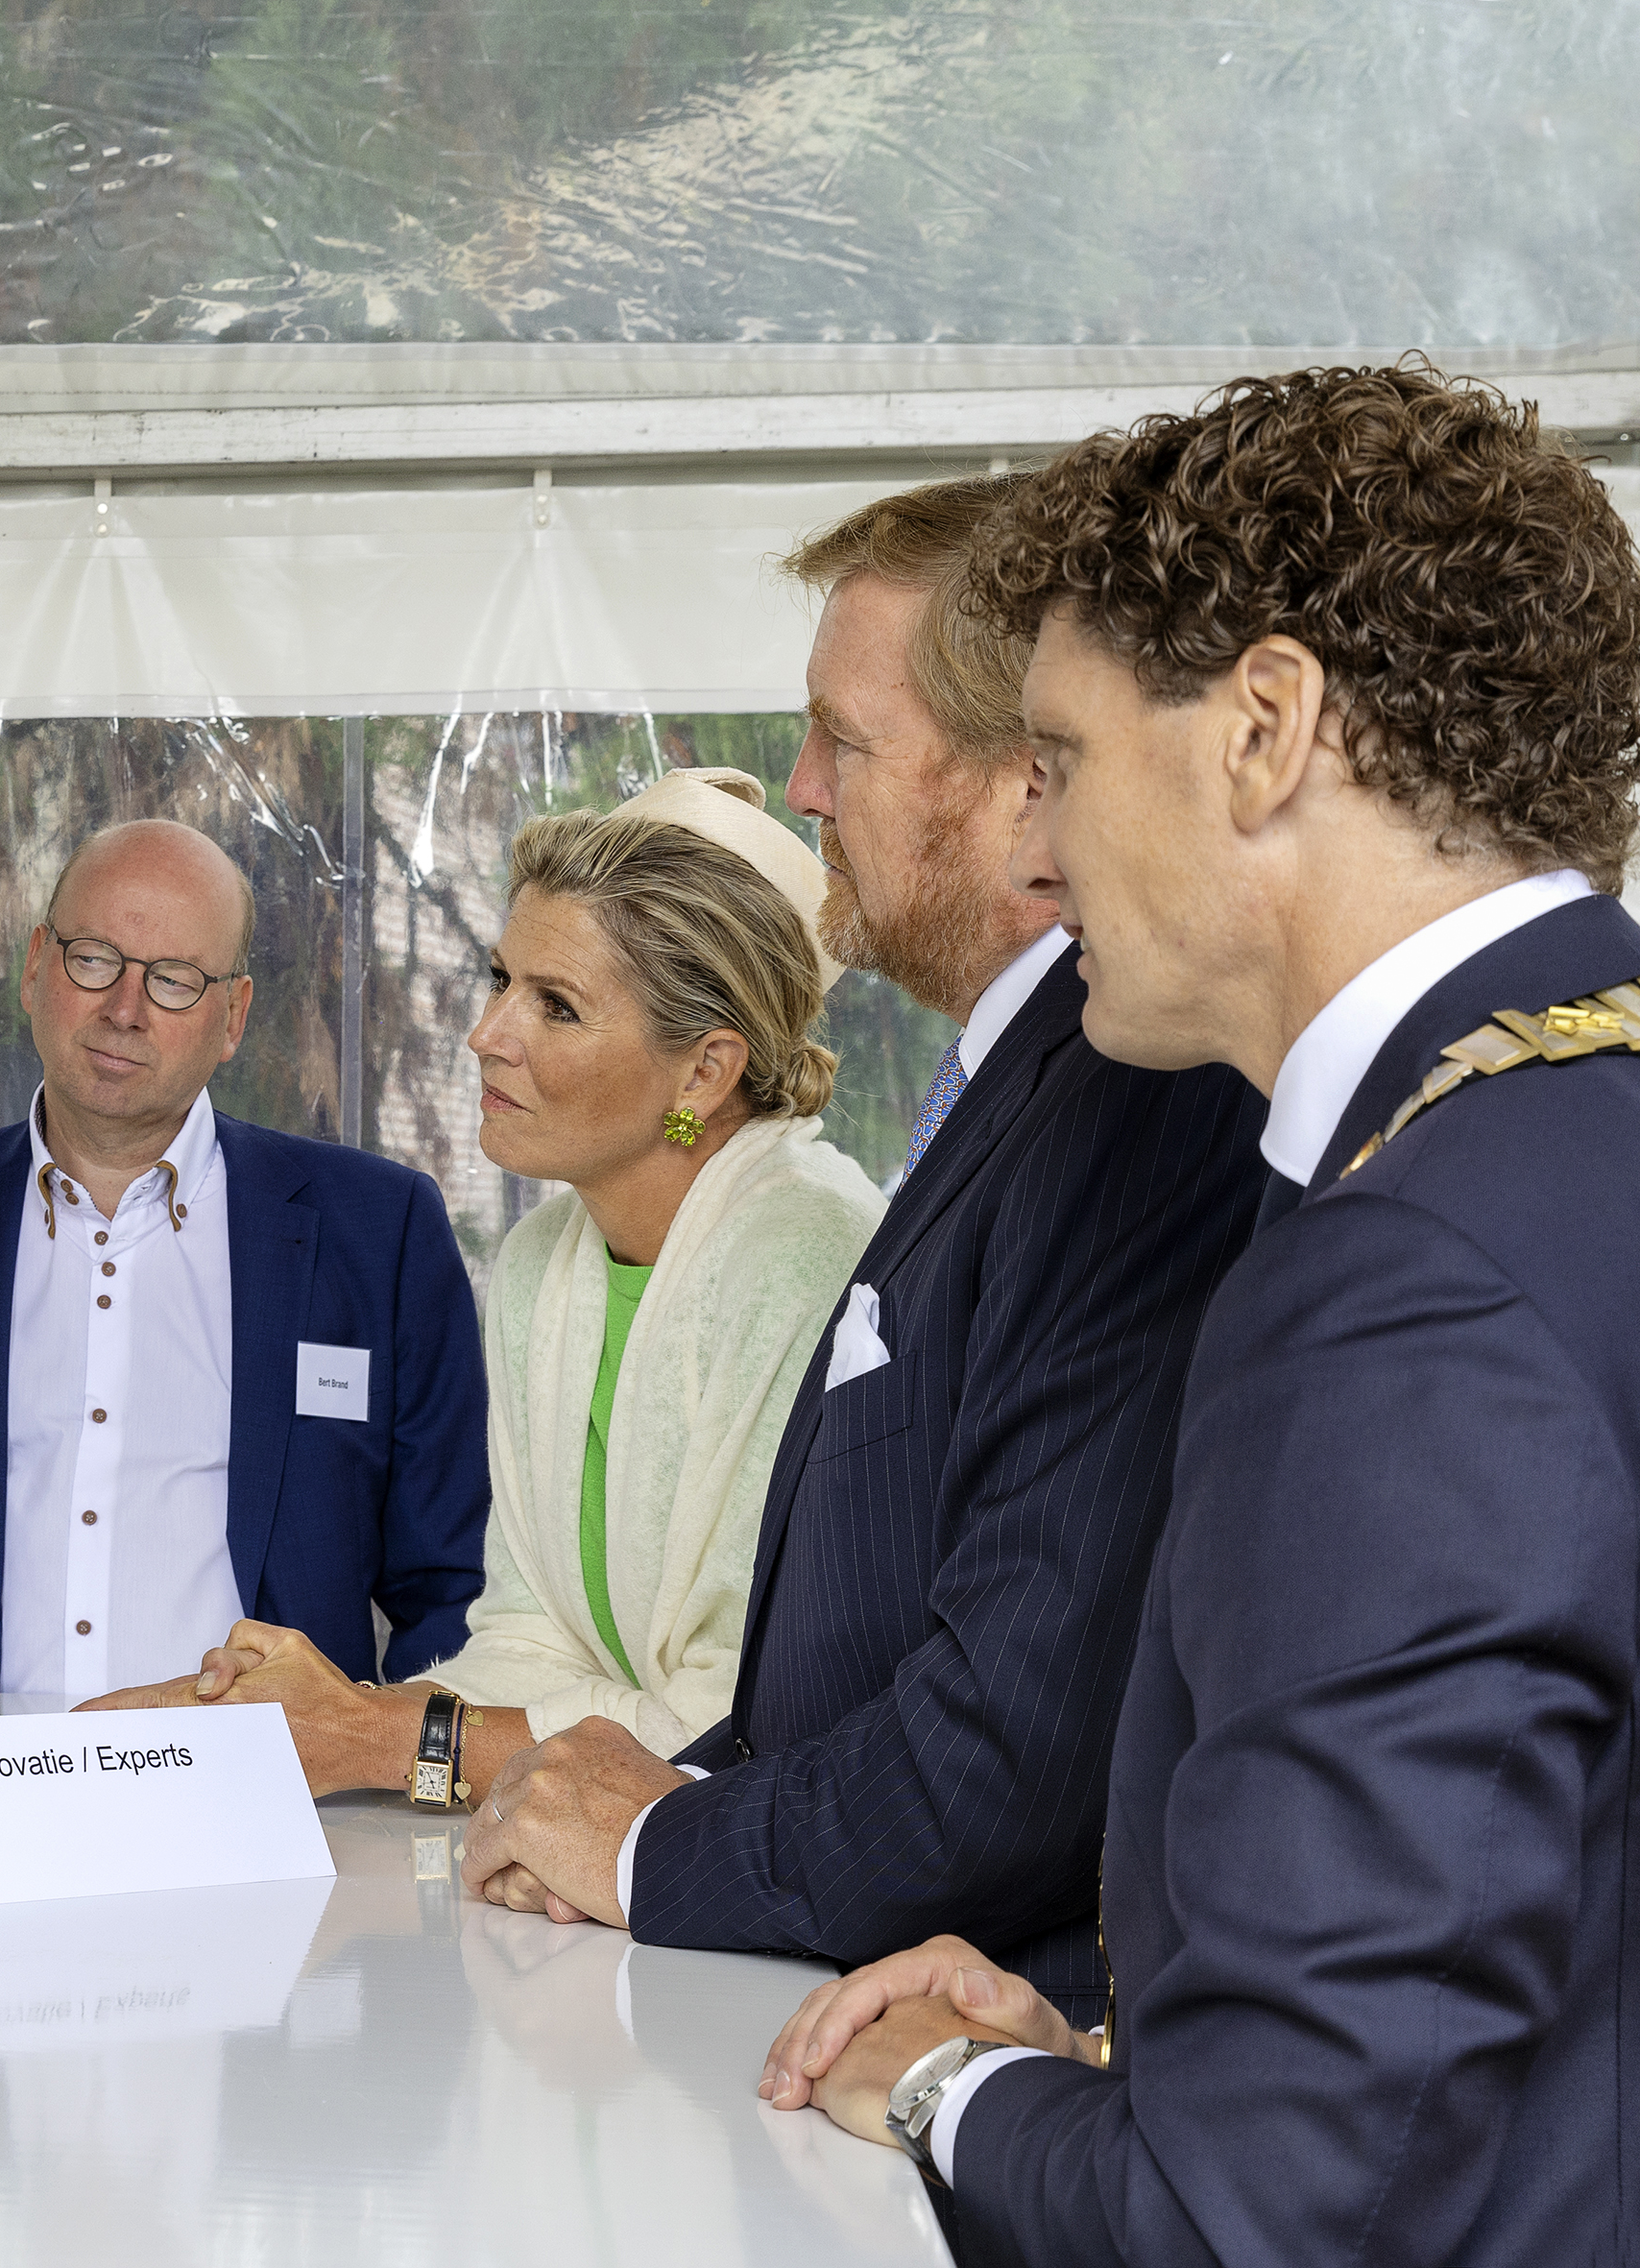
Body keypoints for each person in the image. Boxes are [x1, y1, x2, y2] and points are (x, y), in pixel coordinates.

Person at [763, 364, 1640, 2265]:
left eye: (1060, 757)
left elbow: (1265, 2215)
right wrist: (1113, 2041)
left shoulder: (1406, 1292)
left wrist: (940, 2083)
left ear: (1264, 730)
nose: (1037, 845)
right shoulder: (1566, 1137)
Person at [460, 475, 1270, 2027]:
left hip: (966, 2032)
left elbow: (1005, 1736)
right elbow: (822, 1681)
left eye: (843, 734)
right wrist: (602, 1802)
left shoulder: (1130, 1102)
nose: (801, 785)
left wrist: (646, 1841)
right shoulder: (1001, 1091)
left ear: (1025, 781)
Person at [84, 771, 883, 1804]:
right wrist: (304, 1718)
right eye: (500, 978)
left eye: (556, 1005)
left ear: (704, 1072)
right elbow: (527, 1639)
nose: (487, 1034)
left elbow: (740, 1720)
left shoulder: (809, 1256)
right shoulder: (542, 1262)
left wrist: (370, 1735)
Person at [0, 816, 488, 1712]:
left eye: (172, 981)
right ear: (36, 966)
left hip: (270, 1802)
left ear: (231, 1016)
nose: (123, 1008)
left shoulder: (376, 1230)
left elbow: (453, 1590)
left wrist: (419, 1770)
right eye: (94, 959)